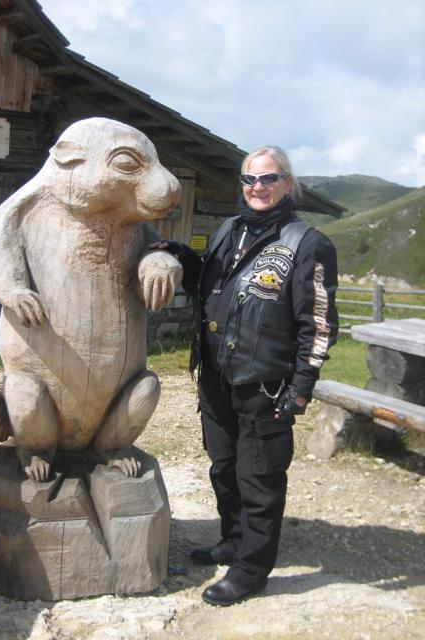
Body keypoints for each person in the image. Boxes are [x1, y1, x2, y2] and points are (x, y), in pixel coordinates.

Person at [152, 146, 338, 606]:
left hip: (266, 383)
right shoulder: (228, 229)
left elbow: (318, 326)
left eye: (268, 178)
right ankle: (233, 541)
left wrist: (300, 389)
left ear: (287, 184)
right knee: (224, 466)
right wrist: (181, 255)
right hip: (217, 376)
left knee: (260, 478)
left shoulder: (307, 243)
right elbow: (210, 285)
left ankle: (251, 571)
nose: (257, 187)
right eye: (249, 179)